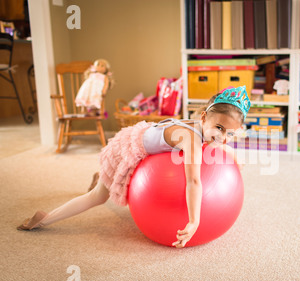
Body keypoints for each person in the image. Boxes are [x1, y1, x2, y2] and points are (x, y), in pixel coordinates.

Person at [17, 86, 250, 248]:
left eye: (230, 133)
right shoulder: (190, 140)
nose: (222, 137)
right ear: (203, 118)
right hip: (129, 149)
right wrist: (194, 221)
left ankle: (101, 177)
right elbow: (193, 181)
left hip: (147, 132)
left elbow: (214, 142)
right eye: (219, 128)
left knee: (104, 184)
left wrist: (230, 152)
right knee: (97, 197)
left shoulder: (203, 128)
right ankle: (45, 218)